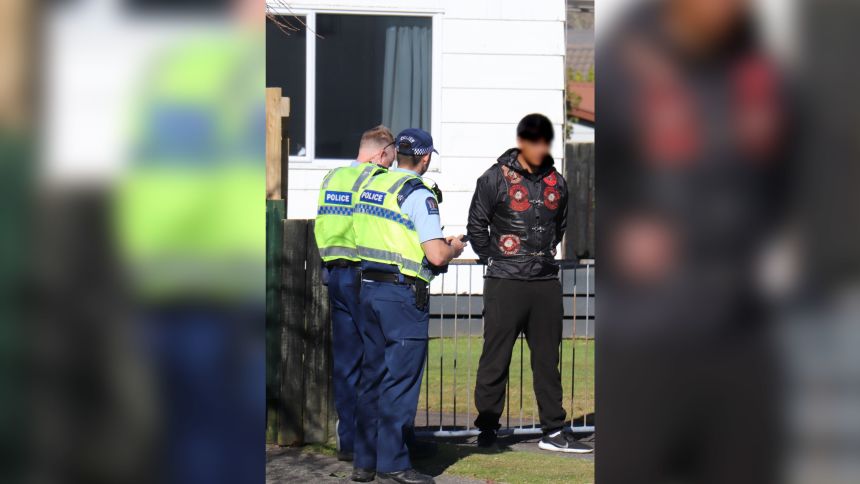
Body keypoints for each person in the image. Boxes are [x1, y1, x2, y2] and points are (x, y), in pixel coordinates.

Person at [467, 114, 592, 454]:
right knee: (496, 358)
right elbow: (477, 225)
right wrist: (495, 258)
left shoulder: (557, 182)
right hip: (505, 281)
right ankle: (488, 430)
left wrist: (541, 258)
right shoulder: (494, 178)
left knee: (547, 360)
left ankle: (553, 431)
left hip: (545, 282)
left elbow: (559, 227)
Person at [351, 129, 466, 484]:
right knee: (399, 382)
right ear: (426, 158)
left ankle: (364, 462)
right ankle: (393, 464)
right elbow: (433, 253)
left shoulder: (372, 185)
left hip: (368, 290)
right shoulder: (417, 194)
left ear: (396, 153)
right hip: (402, 296)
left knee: (371, 378)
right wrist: (454, 248)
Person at [313, 125, 396, 461]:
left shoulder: (333, 177)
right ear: (381, 153)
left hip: (334, 274)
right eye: (390, 159)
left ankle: (348, 442)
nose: (391, 166)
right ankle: (372, 443)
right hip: (363, 275)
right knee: (376, 359)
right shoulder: (373, 179)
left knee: (347, 363)